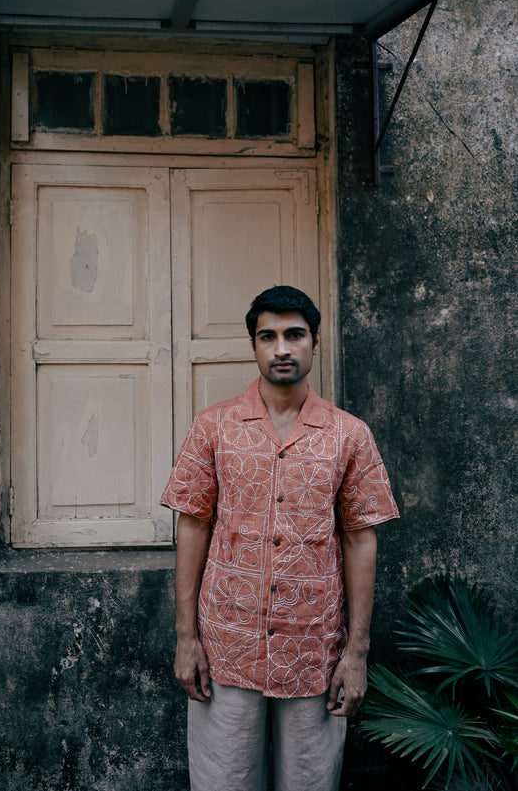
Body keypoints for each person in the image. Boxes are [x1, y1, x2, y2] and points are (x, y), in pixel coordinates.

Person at [161, 286, 399, 791]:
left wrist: (356, 653)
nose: (282, 348)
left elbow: (360, 540)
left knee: (310, 783)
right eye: (267, 337)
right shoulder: (214, 427)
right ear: (254, 346)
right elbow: (192, 525)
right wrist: (187, 639)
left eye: (294, 335)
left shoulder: (349, 435)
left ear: (315, 342)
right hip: (227, 643)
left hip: (314, 649)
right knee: (224, 782)